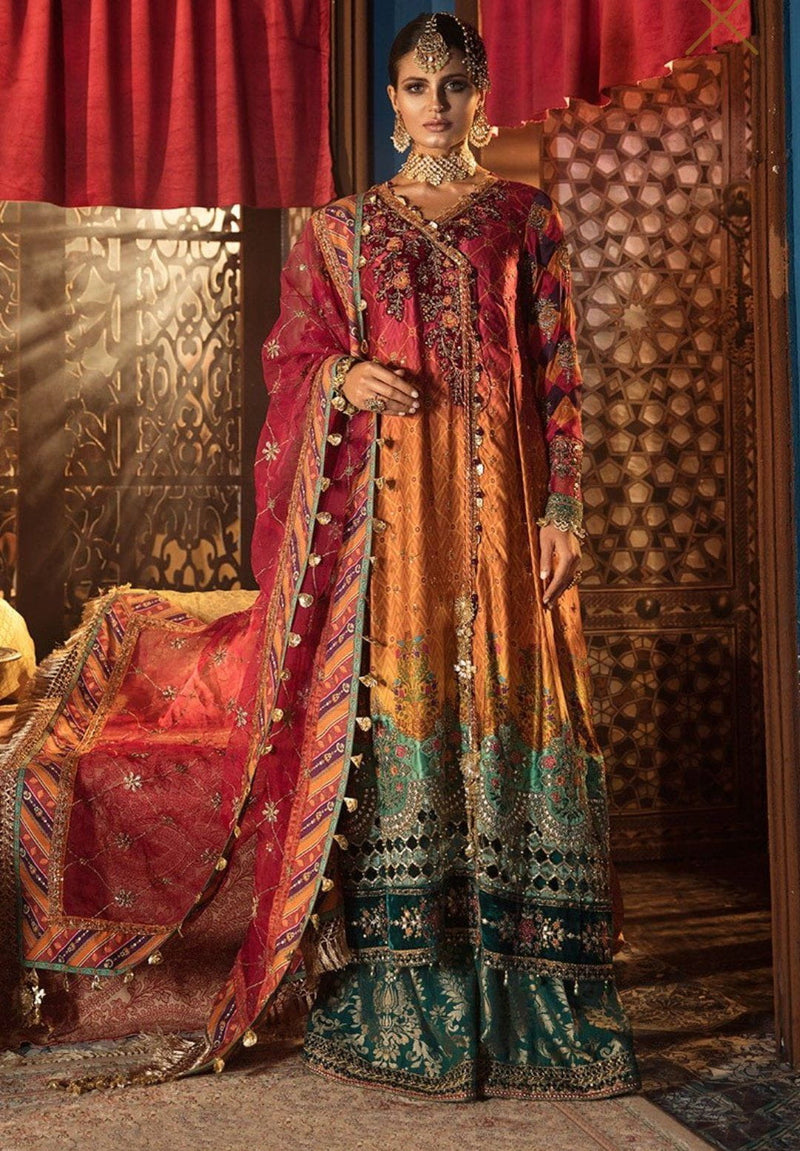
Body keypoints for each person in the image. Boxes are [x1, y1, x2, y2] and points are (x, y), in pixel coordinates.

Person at [0, 12, 639, 1100]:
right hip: (392, 531)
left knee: (513, 705)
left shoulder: (524, 217)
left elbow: (561, 370)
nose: (434, 104)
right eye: (416, 86)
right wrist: (343, 377)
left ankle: (528, 982)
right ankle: (406, 983)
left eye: (453, 84)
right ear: (390, 101)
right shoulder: (342, 230)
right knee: (406, 714)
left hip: (504, 519)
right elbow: (291, 355)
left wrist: (566, 508)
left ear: (480, 97)